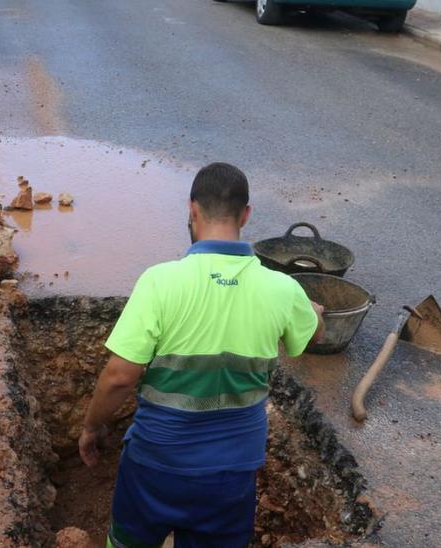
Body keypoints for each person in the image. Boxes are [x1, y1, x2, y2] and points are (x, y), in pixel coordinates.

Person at [78, 162, 326, 548]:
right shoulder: (284, 289)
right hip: (231, 473)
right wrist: (313, 313)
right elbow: (312, 338)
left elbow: (120, 376)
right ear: (246, 214)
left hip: (155, 465)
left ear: (192, 210)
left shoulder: (160, 281)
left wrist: (92, 427)